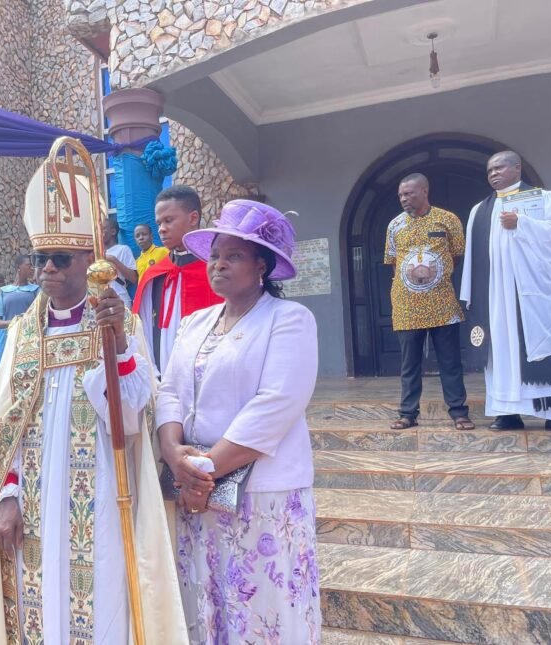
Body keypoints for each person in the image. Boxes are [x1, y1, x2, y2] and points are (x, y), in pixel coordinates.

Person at [0, 160, 186, 644]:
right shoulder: (27, 332)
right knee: (38, 609)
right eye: (41, 256)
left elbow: (132, 419)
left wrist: (114, 344)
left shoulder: (118, 323)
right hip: (32, 500)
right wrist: (7, 493)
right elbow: (7, 425)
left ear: (90, 259)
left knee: (102, 605)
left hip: (102, 498)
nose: (47, 267)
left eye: (60, 258)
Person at [157, 200, 320, 644]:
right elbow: (169, 391)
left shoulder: (289, 320)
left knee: (262, 606)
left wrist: (203, 469)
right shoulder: (194, 323)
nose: (218, 265)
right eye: (214, 256)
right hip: (198, 495)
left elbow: (277, 404)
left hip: (261, 493)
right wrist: (173, 454)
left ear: (262, 266)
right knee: (207, 600)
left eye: (233, 256)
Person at [461, 150, 551, 432]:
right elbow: (472, 259)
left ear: (517, 168)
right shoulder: (479, 211)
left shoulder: (543, 199)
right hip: (495, 296)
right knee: (500, 352)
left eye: (500, 168)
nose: (494, 174)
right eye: (489, 170)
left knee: (544, 348)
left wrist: (522, 223)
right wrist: (470, 296)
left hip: (534, 294)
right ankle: (507, 413)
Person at [384, 174, 473, 431]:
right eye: (401, 195)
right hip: (407, 306)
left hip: (442, 303)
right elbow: (393, 263)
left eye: (409, 193)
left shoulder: (447, 219)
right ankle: (408, 413)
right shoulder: (394, 225)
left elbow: (456, 255)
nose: (404, 199)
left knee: (450, 361)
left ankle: (459, 412)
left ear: (424, 190)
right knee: (409, 364)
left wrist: (434, 280)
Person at [132, 185, 223, 374]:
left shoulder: (218, 274)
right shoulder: (153, 275)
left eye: (169, 220)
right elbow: (142, 333)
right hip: (160, 379)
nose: (162, 229)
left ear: (193, 218)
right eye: (159, 223)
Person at [0, 255, 38, 373]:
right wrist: (16, 321)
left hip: (30, 341)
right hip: (9, 342)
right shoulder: (3, 291)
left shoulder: (36, 290)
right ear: (18, 267)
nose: (32, 268)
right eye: (28, 265)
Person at [103, 216, 137, 308]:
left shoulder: (123, 250)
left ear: (113, 232)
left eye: (103, 229)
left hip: (120, 298)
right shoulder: (95, 252)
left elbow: (133, 278)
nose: (100, 232)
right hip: (101, 300)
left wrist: (114, 260)